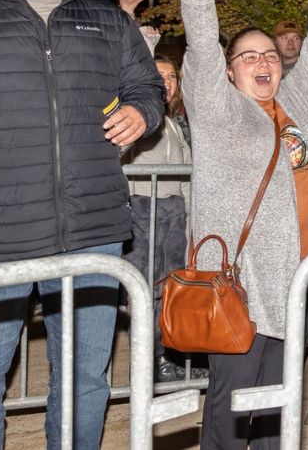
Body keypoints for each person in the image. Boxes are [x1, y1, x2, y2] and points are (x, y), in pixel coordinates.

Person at [0, 0, 164, 450]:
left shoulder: (105, 18)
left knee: (85, 382)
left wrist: (141, 111)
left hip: (91, 232)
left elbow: (147, 86)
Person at [181, 0, 308, 449]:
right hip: (243, 281)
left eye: (270, 54)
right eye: (249, 56)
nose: (263, 61)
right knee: (233, 404)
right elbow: (203, 50)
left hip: (303, 272)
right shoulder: (219, 111)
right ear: (229, 74)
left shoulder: (296, 104)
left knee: (280, 400)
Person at [123, 43, 200, 382]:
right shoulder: (135, 116)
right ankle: (151, 361)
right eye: (158, 76)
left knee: (169, 291)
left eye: (171, 77)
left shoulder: (172, 123)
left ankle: (167, 356)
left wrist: (191, 217)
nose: (167, 82)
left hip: (173, 215)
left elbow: (186, 177)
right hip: (141, 213)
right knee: (144, 293)